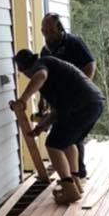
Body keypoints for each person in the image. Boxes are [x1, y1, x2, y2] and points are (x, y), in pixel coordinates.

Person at [11, 49, 104, 205]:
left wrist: (22, 100)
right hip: (94, 103)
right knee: (68, 142)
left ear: (22, 69)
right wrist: (41, 126)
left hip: (82, 105)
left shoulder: (41, 65)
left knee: (53, 145)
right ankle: (75, 183)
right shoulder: (52, 71)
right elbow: (58, 110)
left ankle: (70, 191)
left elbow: (41, 76)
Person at [41, 13, 96, 180]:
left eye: (51, 31)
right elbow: (43, 77)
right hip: (59, 100)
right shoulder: (45, 51)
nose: (47, 35)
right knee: (62, 136)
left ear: (60, 28)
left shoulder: (73, 43)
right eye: (44, 31)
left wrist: (83, 87)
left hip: (78, 98)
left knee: (73, 135)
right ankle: (68, 174)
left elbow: (90, 64)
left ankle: (78, 173)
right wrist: (43, 100)